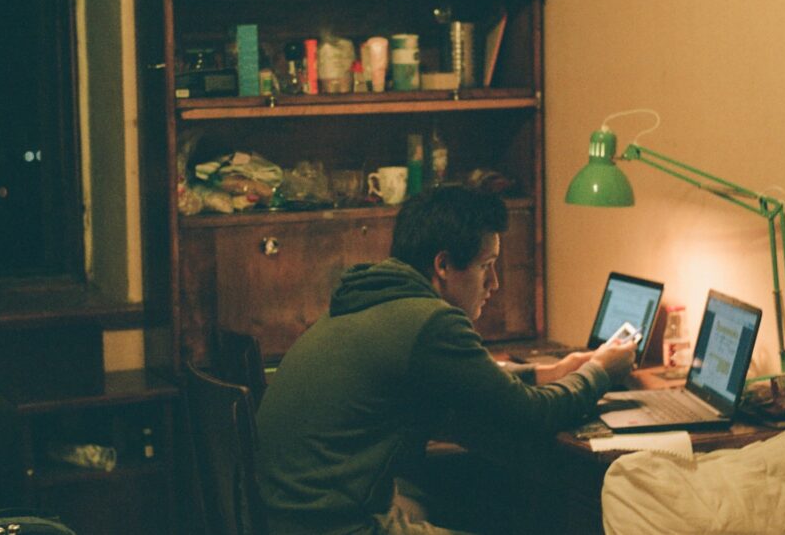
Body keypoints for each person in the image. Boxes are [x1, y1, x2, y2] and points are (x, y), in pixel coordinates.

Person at [254, 186, 636, 534]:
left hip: (289, 516)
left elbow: (468, 379)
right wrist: (600, 371)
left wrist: (546, 371)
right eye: (487, 266)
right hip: (338, 525)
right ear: (443, 266)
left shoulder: (372, 299)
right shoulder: (430, 320)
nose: (495, 283)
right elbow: (532, 415)